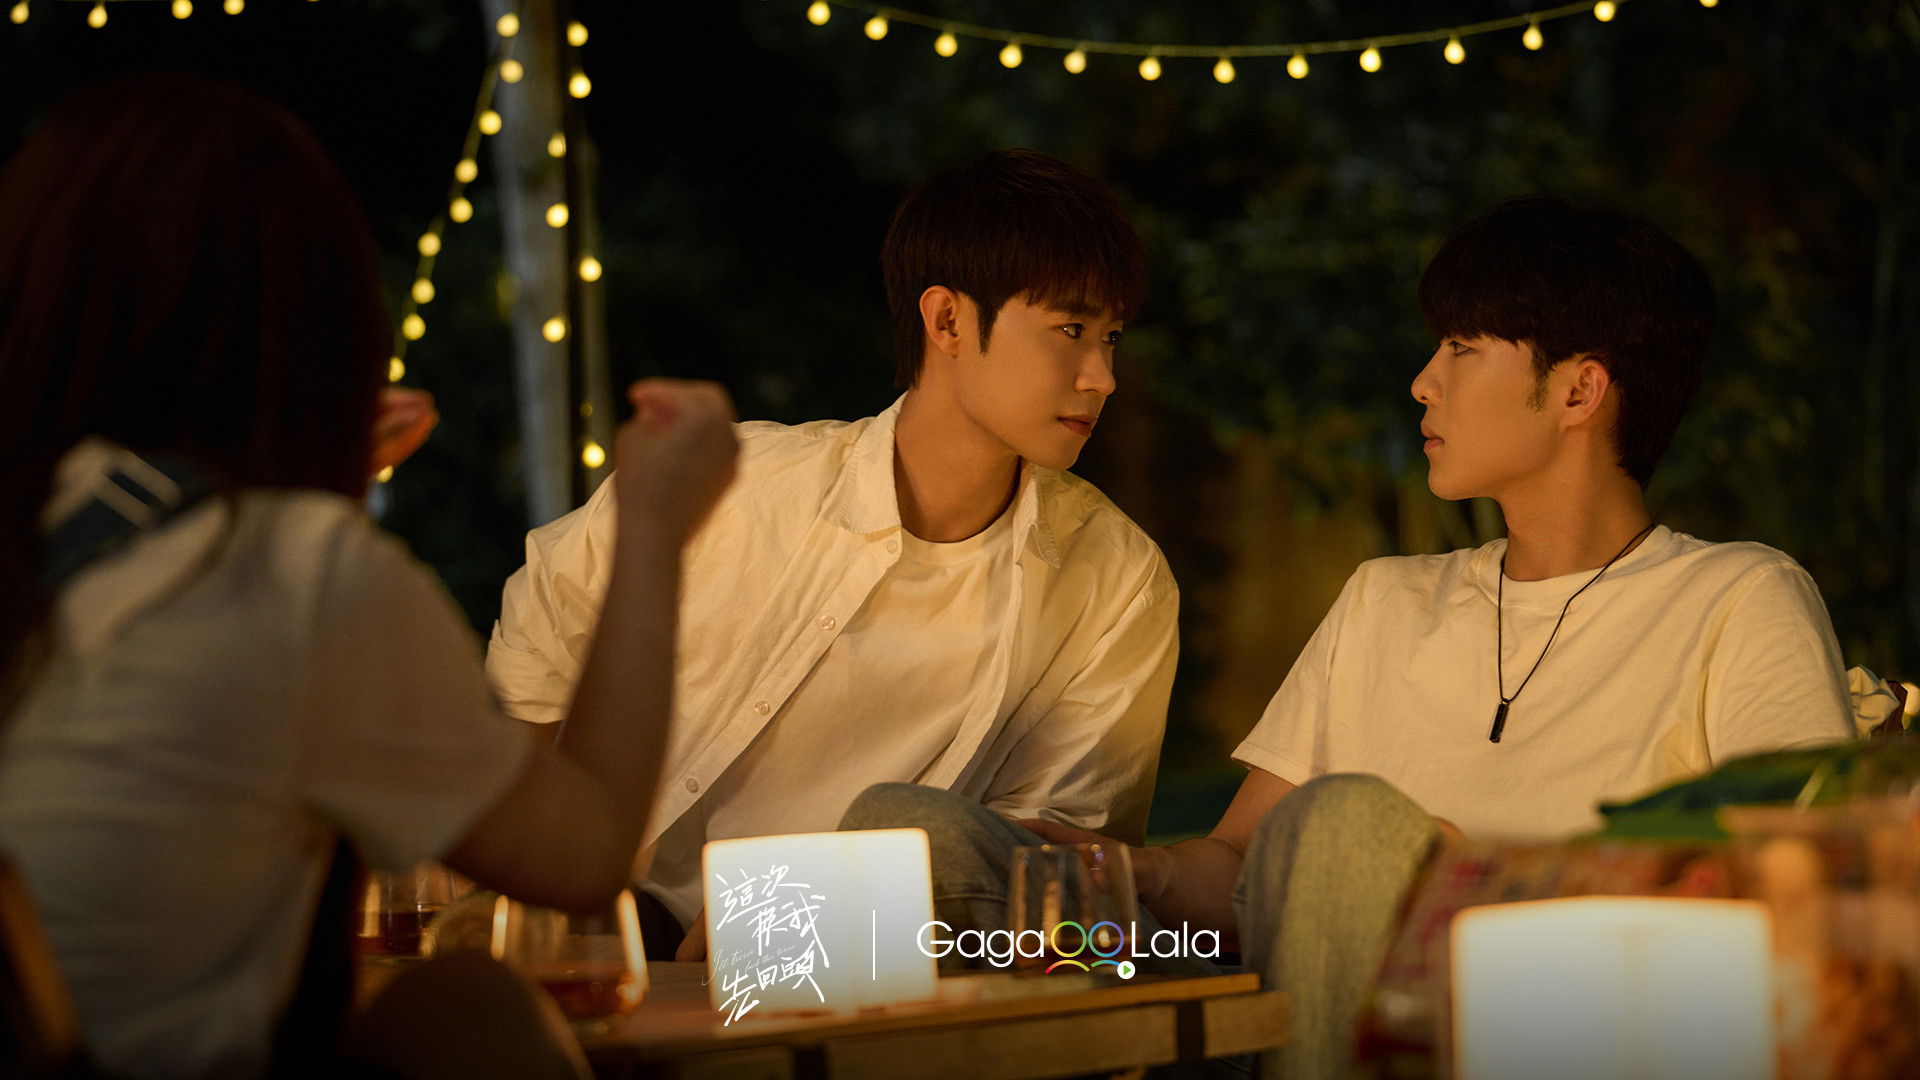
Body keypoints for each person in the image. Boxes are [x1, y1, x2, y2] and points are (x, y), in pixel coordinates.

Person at [843, 196, 1856, 1077]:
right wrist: (1143, 876)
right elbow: (1242, 878)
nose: (1423, 381)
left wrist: (1467, 879)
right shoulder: (1386, 599)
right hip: (1271, 1016)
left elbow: (1801, 908)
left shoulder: (1736, 599)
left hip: (1540, 1041)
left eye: (1461, 350)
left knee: (1348, 824)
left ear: (1579, 392)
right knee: (912, 837)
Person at [0, 73, 738, 1079]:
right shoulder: (294, 568)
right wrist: (652, 524)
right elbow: (583, 854)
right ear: (315, 318)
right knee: (467, 1007)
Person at [486, 149, 1176, 959]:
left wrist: (767, 918)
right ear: (948, 322)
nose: (1102, 377)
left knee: (922, 831)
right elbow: (542, 626)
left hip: (881, 953)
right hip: (620, 930)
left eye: (1112, 337)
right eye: (1071, 330)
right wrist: (516, 878)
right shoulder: (738, 488)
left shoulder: (1116, 581)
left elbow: (1040, 861)